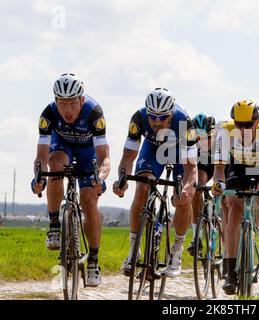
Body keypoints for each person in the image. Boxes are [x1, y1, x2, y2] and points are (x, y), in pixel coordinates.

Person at [31, 73, 111, 286]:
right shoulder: (48, 115)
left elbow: (104, 157)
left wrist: (100, 177)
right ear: (55, 102)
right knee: (54, 164)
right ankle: (55, 225)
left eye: (72, 104)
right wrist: (38, 175)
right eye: (62, 103)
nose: (67, 110)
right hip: (62, 146)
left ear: (81, 101)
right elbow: (41, 155)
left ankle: (93, 259)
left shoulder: (94, 113)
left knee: (89, 200)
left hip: (88, 154)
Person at [113, 88, 197, 278]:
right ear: (147, 113)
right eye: (153, 117)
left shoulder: (184, 122)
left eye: (163, 118)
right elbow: (128, 156)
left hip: (178, 154)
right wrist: (122, 179)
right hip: (152, 149)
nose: (157, 122)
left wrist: (185, 189)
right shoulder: (138, 118)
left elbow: (191, 168)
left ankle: (176, 250)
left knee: (183, 198)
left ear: (171, 113)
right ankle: (134, 250)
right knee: (141, 187)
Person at [212, 99, 259, 295]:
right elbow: (219, 169)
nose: (243, 129)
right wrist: (218, 184)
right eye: (239, 124)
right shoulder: (225, 132)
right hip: (238, 168)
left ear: (257, 121)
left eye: (248, 124)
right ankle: (230, 272)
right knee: (234, 207)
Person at [187, 113, 216, 255]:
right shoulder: (190, 141)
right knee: (197, 187)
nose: (204, 142)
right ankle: (196, 237)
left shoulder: (223, 140)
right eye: (200, 138)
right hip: (204, 162)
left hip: (222, 163)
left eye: (208, 138)